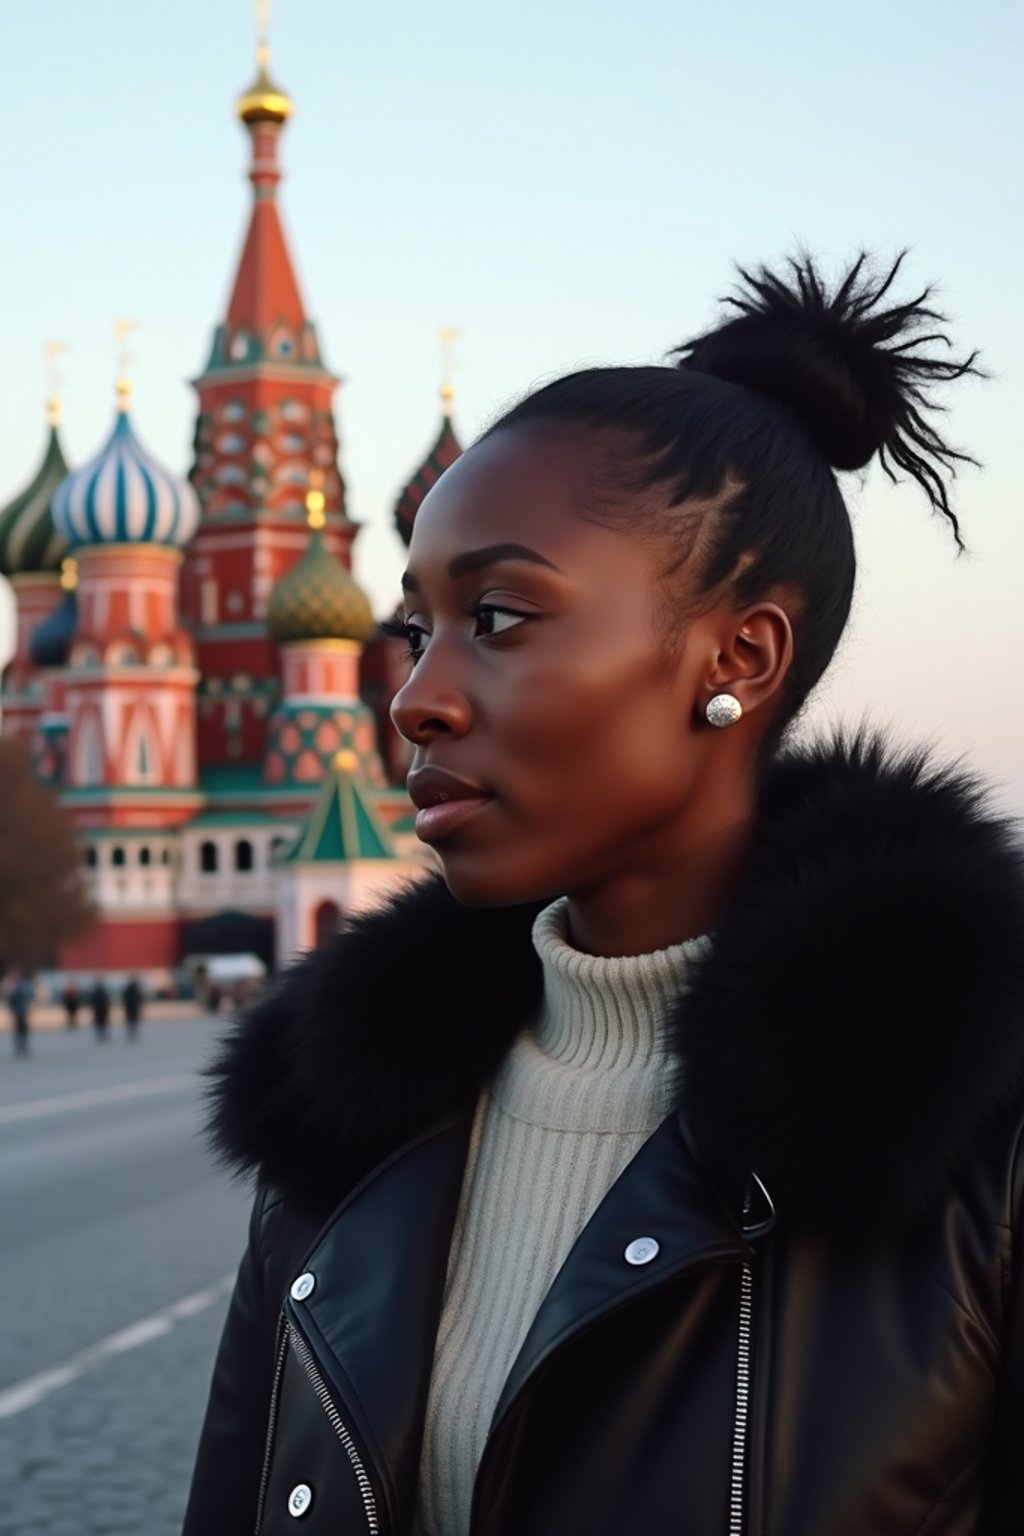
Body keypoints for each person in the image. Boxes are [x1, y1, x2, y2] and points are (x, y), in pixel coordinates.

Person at [183, 254, 1024, 1536]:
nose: (414, 697)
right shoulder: (341, 1133)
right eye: (417, 628)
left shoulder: (984, 1142)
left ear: (737, 656)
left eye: (503, 616)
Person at [7, 972, 33, 1057]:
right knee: (19, 1029)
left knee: (23, 1029)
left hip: (22, 1010)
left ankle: (23, 1046)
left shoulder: (23, 986)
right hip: (18, 1011)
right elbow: (10, 1000)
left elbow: (28, 997)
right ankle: (20, 1046)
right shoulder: (14, 987)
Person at [122, 975, 143, 1039]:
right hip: (132, 1008)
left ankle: (132, 1033)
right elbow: (140, 999)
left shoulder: (130, 990)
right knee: (132, 1022)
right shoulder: (135, 990)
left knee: (132, 1022)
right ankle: (132, 1033)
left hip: (131, 1008)